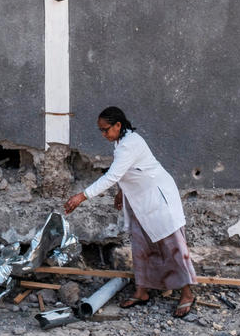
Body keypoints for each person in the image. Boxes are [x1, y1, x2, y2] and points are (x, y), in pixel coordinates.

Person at [64, 106, 197, 317]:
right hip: (139, 200)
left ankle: (187, 293)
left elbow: (112, 175)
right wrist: (120, 192)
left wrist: (81, 196)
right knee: (141, 245)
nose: (103, 134)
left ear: (118, 125)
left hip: (158, 199)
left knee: (172, 246)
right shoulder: (120, 143)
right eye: (101, 130)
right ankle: (142, 290)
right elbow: (126, 172)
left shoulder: (130, 144)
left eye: (105, 129)